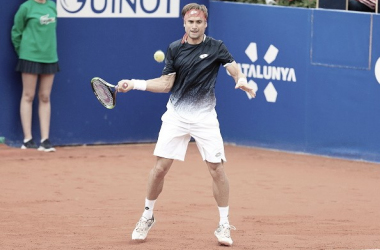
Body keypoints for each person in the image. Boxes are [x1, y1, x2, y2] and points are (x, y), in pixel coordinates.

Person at [116, 3, 256, 246]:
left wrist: (241, 79)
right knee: (160, 168)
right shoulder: (174, 49)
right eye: (190, 22)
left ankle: (223, 224)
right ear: (184, 23)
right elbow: (166, 84)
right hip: (176, 116)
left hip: (204, 117)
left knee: (217, 169)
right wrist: (135, 83)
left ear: (205, 23)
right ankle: (147, 215)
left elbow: (233, 67)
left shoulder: (216, 46)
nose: (194, 26)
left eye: (199, 22)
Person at [11, 0, 59, 152]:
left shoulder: (52, 6)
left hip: (50, 57)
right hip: (29, 57)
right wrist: (24, 52)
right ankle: (28, 139)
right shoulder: (26, 7)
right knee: (28, 95)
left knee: (45, 96)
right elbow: (16, 32)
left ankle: (45, 140)